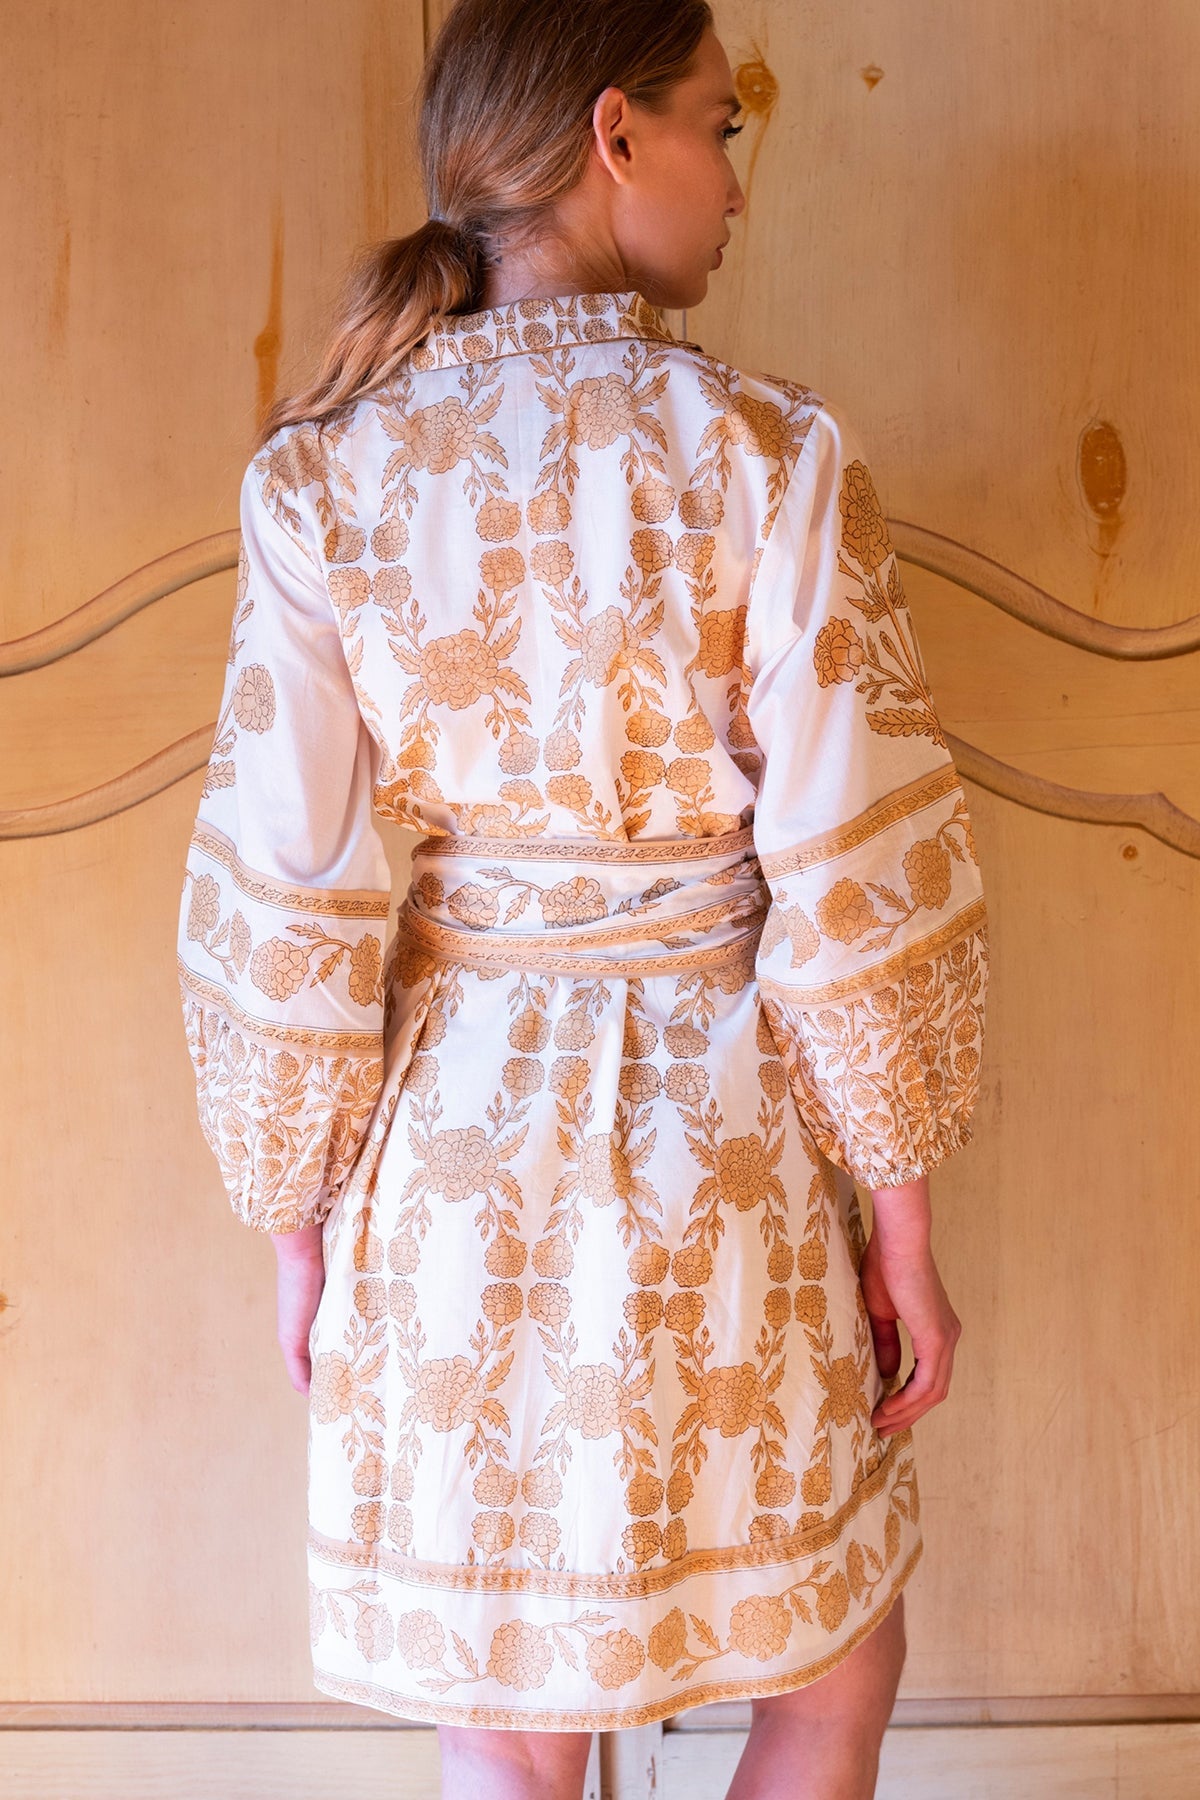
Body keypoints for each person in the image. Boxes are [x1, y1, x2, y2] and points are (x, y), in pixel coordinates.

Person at [176, 2, 988, 1795]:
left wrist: (297, 1225)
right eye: (721, 125)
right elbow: (861, 871)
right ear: (617, 136)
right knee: (833, 1660)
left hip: (448, 1169)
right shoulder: (767, 453)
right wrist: (903, 1229)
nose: (736, 180)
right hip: (723, 1140)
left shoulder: (324, 475)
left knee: (506, 1707)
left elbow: (283, 898)